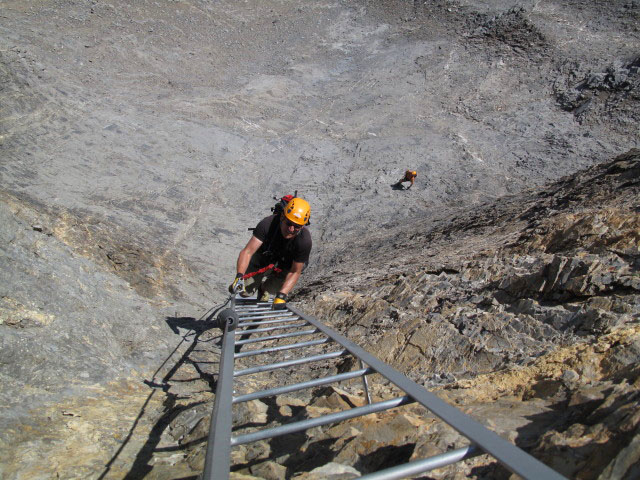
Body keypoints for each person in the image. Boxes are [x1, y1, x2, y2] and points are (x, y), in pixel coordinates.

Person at [229, 197, 312, 310]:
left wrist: (282, 295)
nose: (291, 229)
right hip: (264, 257)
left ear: (302, 226)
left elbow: (295, 271)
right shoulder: (267, 224)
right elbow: (247, 252)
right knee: (245, 292)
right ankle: (254, 286)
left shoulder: (304, 241)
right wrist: (239, 277)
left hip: (285, 266)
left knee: (272, 289)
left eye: (296, 226)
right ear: (282, 217)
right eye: (289, 223)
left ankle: (263, 289)